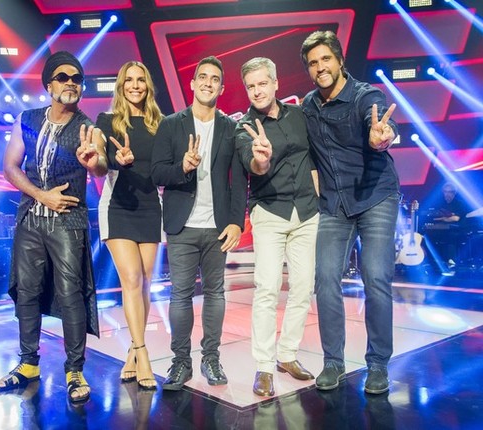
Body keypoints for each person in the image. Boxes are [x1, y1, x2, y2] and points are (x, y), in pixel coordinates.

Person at [0, 51, 108, 404]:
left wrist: (94, 162)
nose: (71, 83)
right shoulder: (27, 119)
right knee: (27, 291)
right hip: (31, 217)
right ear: (48, 84)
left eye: (77, 78)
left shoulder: (89, 127)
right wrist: (42, 196)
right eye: (63, 77)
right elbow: (10, 167)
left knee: (71, 294)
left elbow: (101, 166)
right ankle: (28, 364)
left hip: (69, 221)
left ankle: (74, 370)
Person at [300, 30, 400, 395]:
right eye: (313, 63)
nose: (320, 67)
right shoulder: (308, 106)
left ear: (340, 60)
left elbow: (382, 125)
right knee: (325, 277)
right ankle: (333, 361)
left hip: (376, 197)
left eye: (326, 59)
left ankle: (378, 364)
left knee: (376, 277)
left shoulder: (364, 96)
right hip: (334, 205)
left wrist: (382, 136)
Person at [151, 56, 247, 391]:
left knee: (215, 294)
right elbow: (157, 173)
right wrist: (183, 167)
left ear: (221, 87)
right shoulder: (170, 125)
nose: (208, 82)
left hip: (218, 227)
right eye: (202, 76)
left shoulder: (230, 128)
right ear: (192, 83)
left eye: (214, 78)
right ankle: (181, 361)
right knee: (180, 295)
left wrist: (236, 222)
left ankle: (211, 358)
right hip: (182, 225)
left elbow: (239, 181)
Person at [235, 57, 319, 397]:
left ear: (275, 83)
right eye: (251, 86)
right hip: (270, 213)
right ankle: (264, 366)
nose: (257, 91)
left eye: (262, 83)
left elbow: (312, 158)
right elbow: (252, 164)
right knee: (267, 289)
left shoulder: (299, 115)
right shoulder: (244, 127)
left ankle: (287, 354)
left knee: (303, 288)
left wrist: (318, 198)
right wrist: (262, 159)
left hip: (307, 212)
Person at [96, 61, 163, 390]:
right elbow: (98, 161)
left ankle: (132, 354)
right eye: (129, 80)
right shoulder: (106, 121)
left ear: (147, 85)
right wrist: (115, 160)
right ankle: (143, 353)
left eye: (141, 80)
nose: (135, 85)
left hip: (150, 207)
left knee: (145, 283)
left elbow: (163, 168)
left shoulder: (161, 124)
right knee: (132, 279)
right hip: (118, 207)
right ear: (120, 86)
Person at [427, 182, 469, 271]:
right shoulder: (440, 203)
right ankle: (432, 261)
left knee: (450, 236)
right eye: (445, 192)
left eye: (450, 192)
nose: (447, 194)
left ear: (454, 193)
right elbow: (432, 215)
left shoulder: (459, 204)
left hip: (457, 229)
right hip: (440, 229)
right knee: (428, 235)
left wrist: (443, 219)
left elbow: (456, 218)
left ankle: (451, 261)